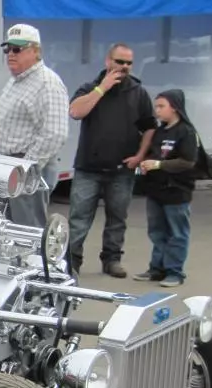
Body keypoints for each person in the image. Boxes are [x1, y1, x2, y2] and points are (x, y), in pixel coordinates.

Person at [66, 43, 157, 279]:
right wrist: (102, 88)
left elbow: (150, 127)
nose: (124, 66)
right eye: (119, 61)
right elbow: (75, 112)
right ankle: (71, 262)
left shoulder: (138, 92)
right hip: (88, 168)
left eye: (128, 63)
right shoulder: (90, 87)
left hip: (122, 170)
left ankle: (112, 260)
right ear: (108, 61)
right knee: (79, 218)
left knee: (117, 219)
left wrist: (140, 155)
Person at [0, 24, 69, 228]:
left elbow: (55, 133)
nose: (10, 54)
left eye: (17, 49)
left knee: (26, 231)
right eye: (7, 49)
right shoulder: (17, 81)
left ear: (35, 51)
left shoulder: (47, 83)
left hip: (25, 170)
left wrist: (25, 170)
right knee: (5, 231)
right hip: (6, 169)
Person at [133, 90, 207, 287]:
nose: (157, 111)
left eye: (161, 106)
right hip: (156, 190)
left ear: (174, 107)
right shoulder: (160, 131)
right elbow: (155, 153)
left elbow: (188, 161)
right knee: (157, 232)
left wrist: (159, 165)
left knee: (177, 233)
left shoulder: (186, 132)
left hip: (177, 191)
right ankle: (156, 269)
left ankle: (175, 272)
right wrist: (146, 163)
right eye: (156, 106)